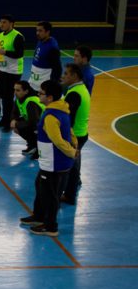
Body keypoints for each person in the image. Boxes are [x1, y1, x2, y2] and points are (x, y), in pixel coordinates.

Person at [19, 80, 77, 237]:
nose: (38, 94)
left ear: (50, 97)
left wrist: (72, 152)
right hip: (49, 161)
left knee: (50, 194)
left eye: (41, 93)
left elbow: (57, 140)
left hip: (54, 162)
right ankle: (38, 216)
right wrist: (74, 145)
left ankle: (51, 226)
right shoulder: (60, 109)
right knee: (40, 186)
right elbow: (70, 131)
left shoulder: (51, 116)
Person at [60, 64, 91, 205]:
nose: (63, 76)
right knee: (75, 163)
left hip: (75, 135)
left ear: (75, 76)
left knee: (71, 167)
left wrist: (65, 136)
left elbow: (69, 118)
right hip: (81, 132)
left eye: (66, 73)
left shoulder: (74, 94)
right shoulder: (81, 89)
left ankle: (69, 195)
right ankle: (72, 189)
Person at [0, 15, 25, 131]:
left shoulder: (18, 36)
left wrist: (5, 52)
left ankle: (9, 122)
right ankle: (4, 119)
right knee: (3, 96)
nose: (1, 24)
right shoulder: (0, 36)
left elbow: (19, 54)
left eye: (4, 22)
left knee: (9, 97)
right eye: (1, 22)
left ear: (11, 23)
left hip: (13, 72)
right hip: (2, 70)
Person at [10, 80, 45, 159]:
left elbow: (33, 122)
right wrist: (13, 120)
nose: (15, 92)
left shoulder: (31, 102)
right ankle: (33, 145)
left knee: (24, 127)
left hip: (44, 125)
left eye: (18, 90)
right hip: (35, 123)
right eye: (14, 90)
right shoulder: (19, 99)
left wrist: (16, 124)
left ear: (26, 91)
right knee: (18, 126)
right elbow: (14, 113)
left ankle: (38, 149)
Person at [29, 21, 61, 92]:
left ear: (47, 32)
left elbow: (57, 69)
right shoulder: (41, 41)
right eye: (37, 30)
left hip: (43, 87)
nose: (37, 33)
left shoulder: (52, 48)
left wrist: (52, 85)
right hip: (34, 82)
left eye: (40, 31)